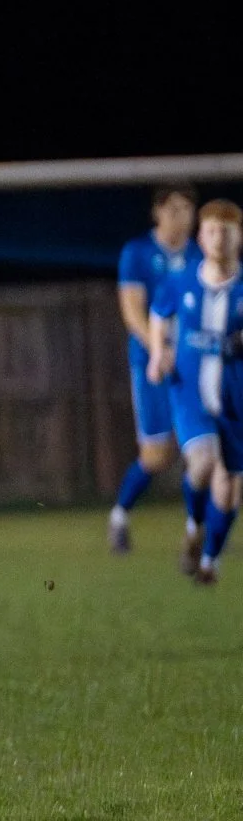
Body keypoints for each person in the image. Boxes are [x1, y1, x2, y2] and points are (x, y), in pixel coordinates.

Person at [148, 200, 243, 585]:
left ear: (239, 237)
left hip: (235, 400)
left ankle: (209, 561)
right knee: (202, 464)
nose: (219, 239)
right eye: (212, 231)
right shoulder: (181, 281)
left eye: (227, 232)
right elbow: (159, 313)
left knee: (230, 486)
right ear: (201, 238)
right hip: (191, 394)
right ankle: (194, 525)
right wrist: (158, 352)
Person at [109, 184, 201, 560]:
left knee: (204, 450)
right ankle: (119, 516)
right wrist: (159, 349)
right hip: (153, 367)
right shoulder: (138, 253)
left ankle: (198, 530)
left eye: (188, 209)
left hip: (195, 366)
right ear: (157, 213)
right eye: (174, 209)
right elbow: (133, 311)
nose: (182, 217)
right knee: (156, 457)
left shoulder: (200, 255)